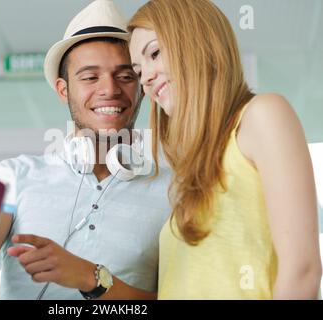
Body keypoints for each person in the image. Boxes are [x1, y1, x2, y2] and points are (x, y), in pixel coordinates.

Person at [0, 0, 171, 300]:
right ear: (63, 90)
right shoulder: (14, 176)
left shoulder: (173, 190)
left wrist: (90, 278)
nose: (109, 89)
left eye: (125, 76)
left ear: (141, 86)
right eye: (90, 77)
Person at [128, 0, 322, 299]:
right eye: (138, 71)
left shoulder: (262, 115)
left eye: (154, 53)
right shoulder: (190, 172)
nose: (146, 78)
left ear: (197, 41)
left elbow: (302, 270)